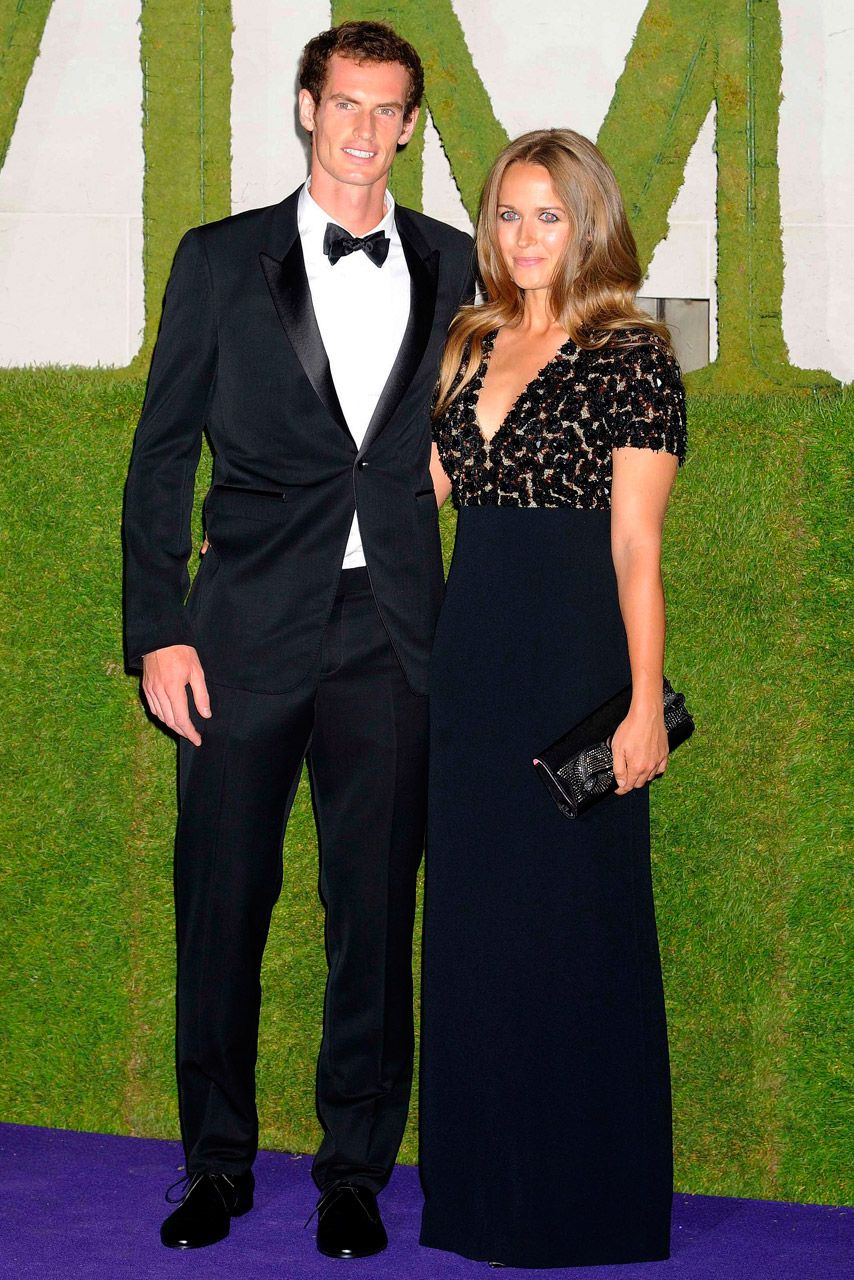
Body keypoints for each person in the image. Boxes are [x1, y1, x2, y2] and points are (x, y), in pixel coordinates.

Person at [122, 20, 474, 1258]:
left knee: (372, 909)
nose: (366, 130)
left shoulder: (454, 260)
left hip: (392, 635)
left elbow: (483, 410)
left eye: (389, 110)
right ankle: (215, 1163)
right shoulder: (220, 258)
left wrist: (438, 472)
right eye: (346, 105)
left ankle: (354, 1172)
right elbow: (162, 454)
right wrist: (158, 630)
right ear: (305, 109)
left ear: (413, 124)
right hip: (238, 634)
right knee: (222, 900)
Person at [418, 128, 688, 1268]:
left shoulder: (634, 353)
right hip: (467, 665)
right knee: (476, 937)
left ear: (588, 223)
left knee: (576, 937)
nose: (523, 238)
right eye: (506, 216)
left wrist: (637, 705)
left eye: (546, 215)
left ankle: (588, 1203)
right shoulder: (468, 344)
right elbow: (413, 495)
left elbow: (634, 545)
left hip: (573, 667)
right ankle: (481, 1197)